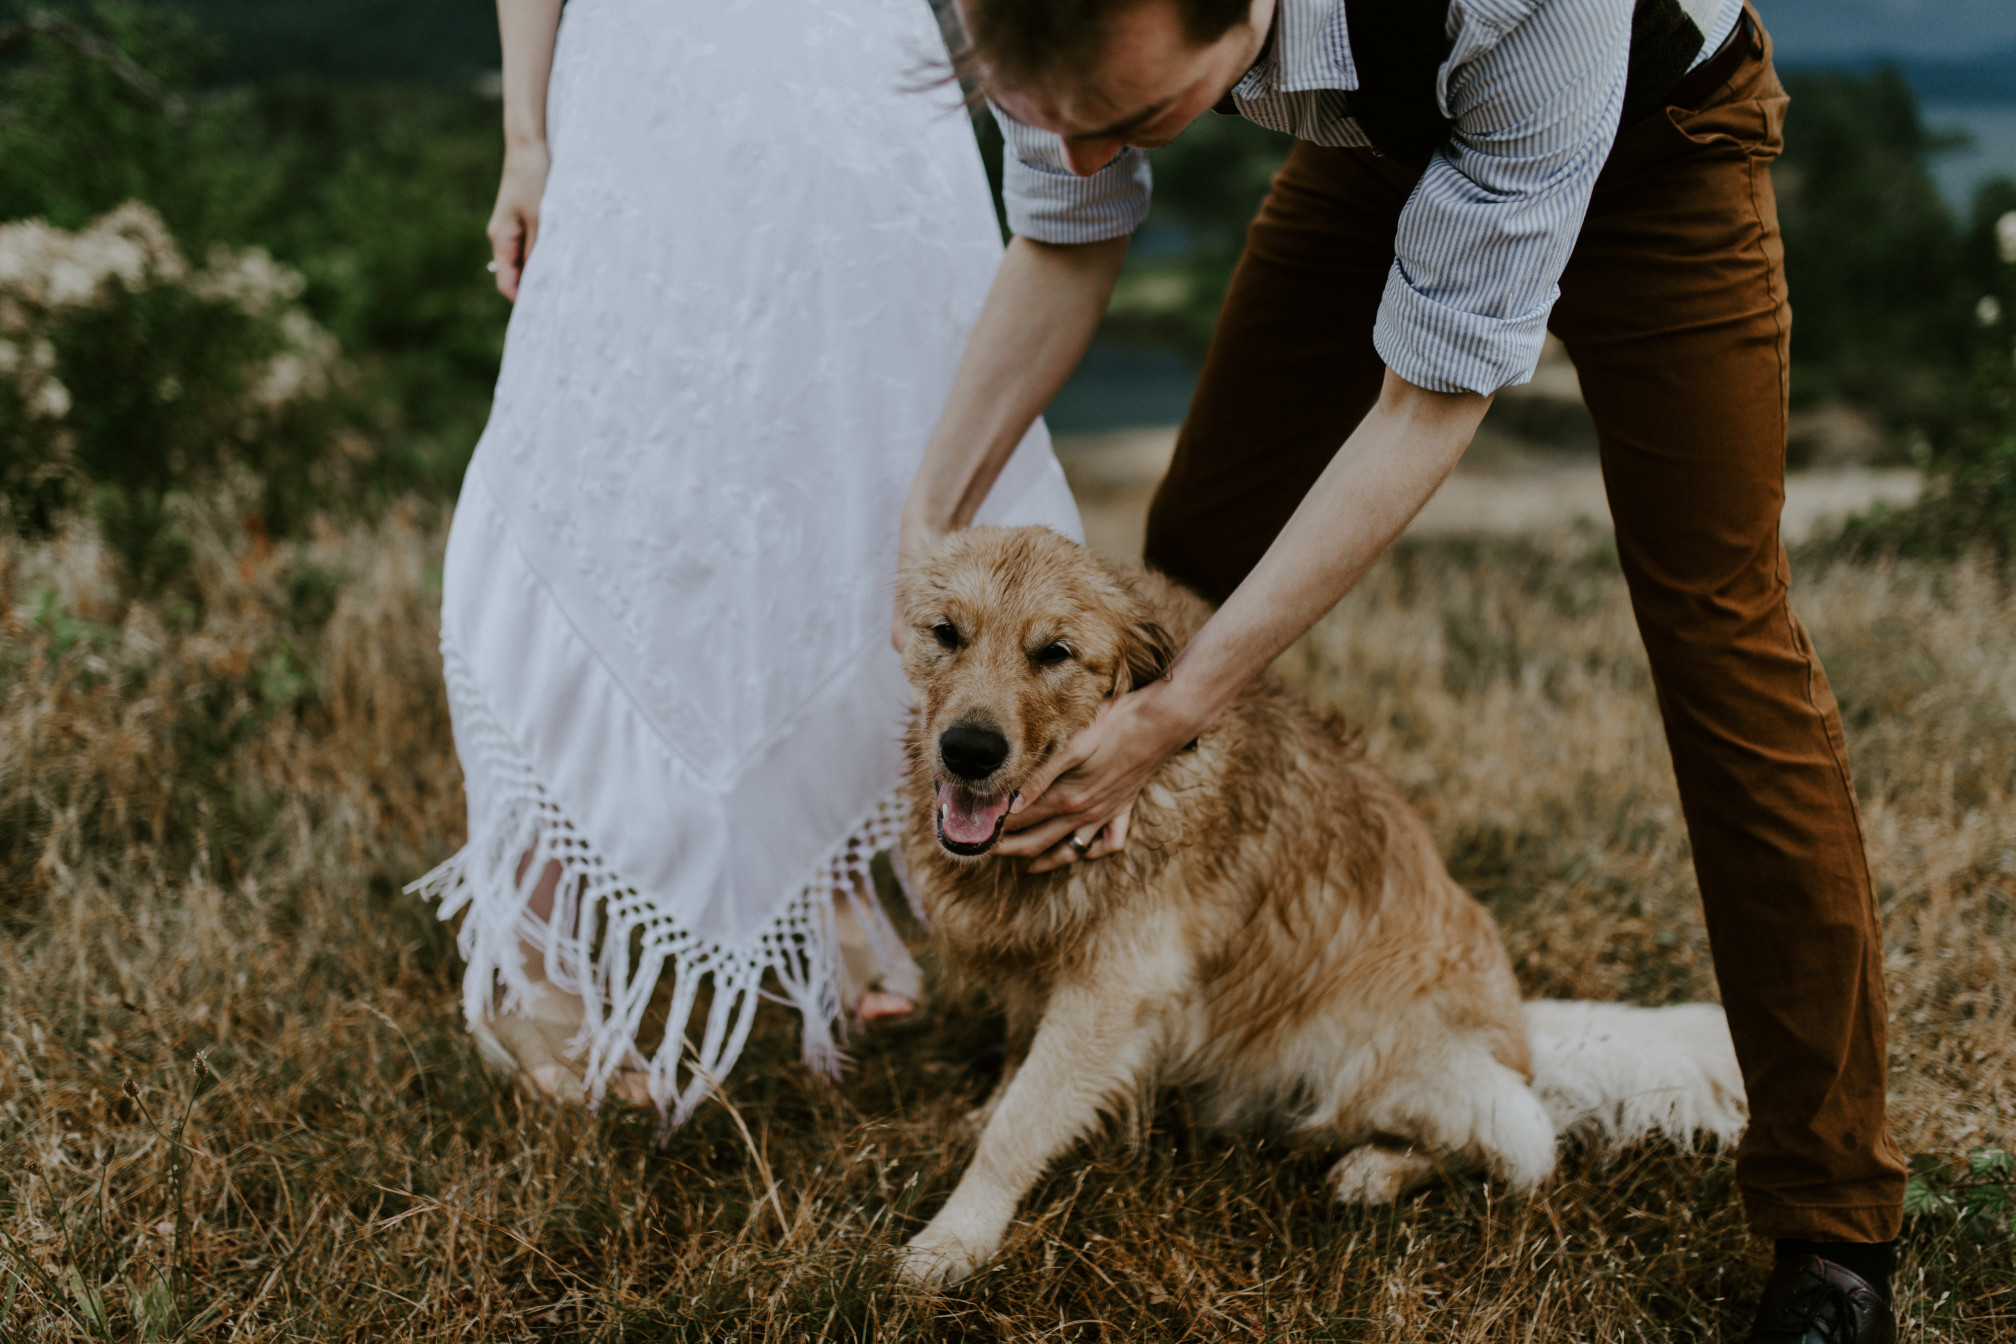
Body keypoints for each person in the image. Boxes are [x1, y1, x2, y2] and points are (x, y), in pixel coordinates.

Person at [899, 0, 1904, 1338]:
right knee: (1197, 551)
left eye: (1133, 124)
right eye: (1047, 126)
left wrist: (1184, 705)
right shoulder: (1070, 27)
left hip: (1660, 145)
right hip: (1393, 141)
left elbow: (1429, 402)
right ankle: (1153, 1000)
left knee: (1726, 653)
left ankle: (1833, 1220)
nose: (1086, 160)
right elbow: (1068, 234)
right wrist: (921, 534)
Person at [411, 0, 1081, 1123]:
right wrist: (527, 138)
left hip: (870, 70)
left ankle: (822, 872)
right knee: (621, 464)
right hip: (649, 70)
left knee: (852, 456)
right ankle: (531, 949)